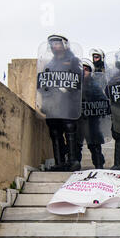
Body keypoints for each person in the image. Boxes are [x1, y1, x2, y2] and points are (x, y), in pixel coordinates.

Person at [37, 34, 82, 172]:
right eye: (53, 44)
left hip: (67, 103)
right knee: (55, 132)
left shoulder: (73, 61)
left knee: (69, 128)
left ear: (64, 45)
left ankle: (73, 160)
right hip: (53, 105)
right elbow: (42, 83)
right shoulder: (50, 64)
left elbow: (79, 81)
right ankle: (59, 162)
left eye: (58, 43)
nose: (55, 46)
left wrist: (68, 88)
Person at [76, 58, 108, 169]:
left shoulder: (94, 86)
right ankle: (75, 166)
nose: (84, 71)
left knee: (94, 145)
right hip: (78, 120)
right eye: (82, 69)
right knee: (76, 144)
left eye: (86, 69)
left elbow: (103, 100)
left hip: (91, 120)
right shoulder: (74, 85)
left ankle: (99, 166)